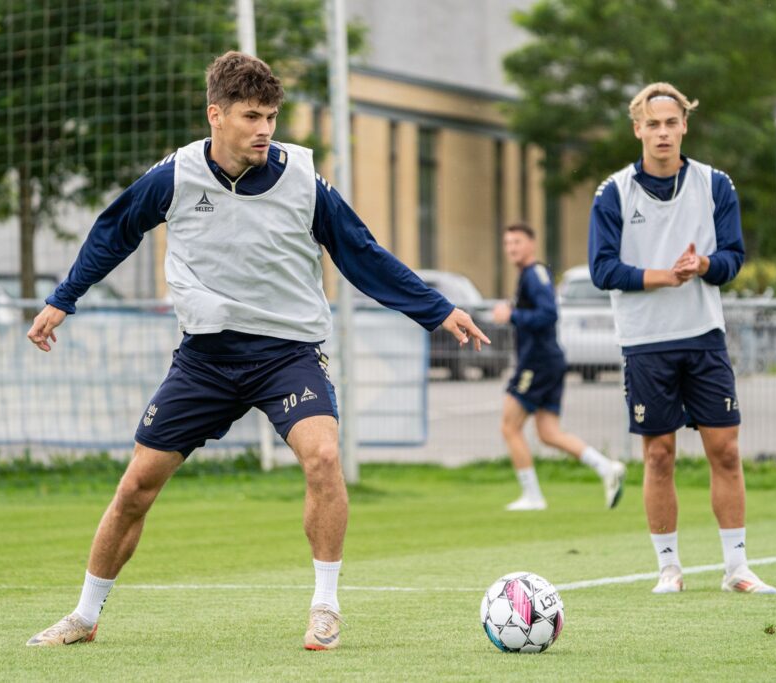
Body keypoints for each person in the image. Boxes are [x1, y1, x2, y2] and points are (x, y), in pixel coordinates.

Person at [24, 51, 489, 650]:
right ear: (215, 115)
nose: (265, 129)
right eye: (250, 116)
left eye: (271, 115)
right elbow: (115, 231)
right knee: (137, 486)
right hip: (206, 360)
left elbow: (361, 253)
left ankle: (325, 606)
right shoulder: (175, 175)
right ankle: (84, 617)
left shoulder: (303, 179)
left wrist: (438, 309)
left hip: (288, 353)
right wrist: (64, 298)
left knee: (322, 458)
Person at [588, 82, 776, 595]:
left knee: (726, 450)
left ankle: (736, 567)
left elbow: (734, 259)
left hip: (703, 336)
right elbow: (601, 269)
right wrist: (662, 276)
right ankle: (668, 567)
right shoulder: (614, 192)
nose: (663, 132)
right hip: (646, 342)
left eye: (672, 122)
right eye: (653, 124)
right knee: (659, 456)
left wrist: (705, 265)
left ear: (685, 125)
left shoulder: (715, 184)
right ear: (638, 129)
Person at [492, 224, 626, 512]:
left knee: (509, 426)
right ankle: (606, 467)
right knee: (549, 433)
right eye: (507, 243)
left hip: (537, 363)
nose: (511, 248)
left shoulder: (534, 274)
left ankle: (532, 496)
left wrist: (512, 315)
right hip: (549, 361)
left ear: (532, 244)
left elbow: (548, 313)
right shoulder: (530, 275)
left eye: (517, 242)